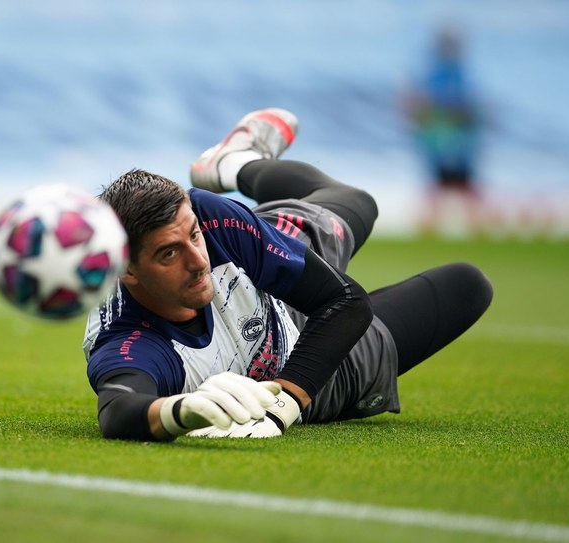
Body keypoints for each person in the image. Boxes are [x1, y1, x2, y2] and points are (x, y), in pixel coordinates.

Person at [83, 108, 493, 441]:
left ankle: (233, 165)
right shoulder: (126, 334)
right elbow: (120, 410)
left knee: (357, 202)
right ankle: (236, 162)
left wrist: (286, 405)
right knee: (467, 285)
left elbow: (344, 299)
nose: (197, 260)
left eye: (193, 236)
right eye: (169, 254)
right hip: (318, 369)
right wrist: (179, 410)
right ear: (127, 270)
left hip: (267, 288)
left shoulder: (211, 219)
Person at [404, 27, 481, 235]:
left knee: (462, 185)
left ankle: (475, 228)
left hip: (456, 142)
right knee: (441, 186)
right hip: (439, 142)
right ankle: (431, 229)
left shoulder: (456, 73)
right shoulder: (437, 73)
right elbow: (417, 108)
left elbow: (469, 111)